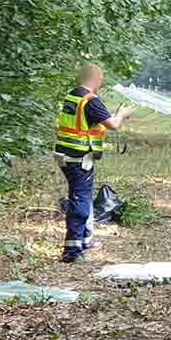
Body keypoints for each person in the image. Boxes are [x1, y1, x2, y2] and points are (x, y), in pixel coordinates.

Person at [53, 64, 131, 263]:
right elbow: (112, 124)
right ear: (96, 79)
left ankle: (86, 240)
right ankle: (72, 251)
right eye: (101, 78)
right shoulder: (90, 100)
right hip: (79, 158)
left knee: (84, 197)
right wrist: (121, 115)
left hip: (65, 154)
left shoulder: (73, 95)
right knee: (80, 200)